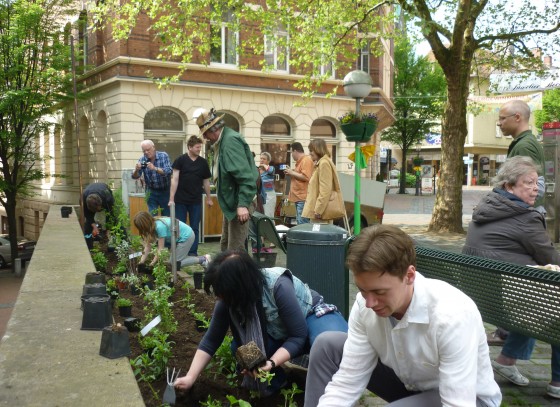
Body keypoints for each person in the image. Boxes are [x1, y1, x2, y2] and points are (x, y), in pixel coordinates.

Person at [305, 224, 502, 407]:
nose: (369, 302)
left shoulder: (452, 315)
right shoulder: (364, 306)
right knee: (328, 345)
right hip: (409, 386)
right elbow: (348, 381)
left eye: (380, 292)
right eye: (363, 290)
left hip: (466, 398)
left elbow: (458, 402)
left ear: (409, 276)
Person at [174, 250, 348, 396]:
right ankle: (279, 381)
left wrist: (271, 362)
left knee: (331, 343)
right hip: (279, 331)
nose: (220, 298)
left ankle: (334, 393)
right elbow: (211, 340)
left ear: (239, 287)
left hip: (311, 315)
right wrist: (190, 377)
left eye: (223, 293)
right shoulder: (228, 300)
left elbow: (298, 335)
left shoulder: (278, 286)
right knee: (243, 349)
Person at [462, 156, 560, 399]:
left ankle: (506, 360)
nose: (535, 188)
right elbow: (551, 258)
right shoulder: (526, 217)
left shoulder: (485, 209)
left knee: (531, 295)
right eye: (528, 183)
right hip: (507, 298)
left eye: (537, 183)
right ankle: (558, 382)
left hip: (484, 296)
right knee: (550, 303)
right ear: (508, 186)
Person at [196, 108, 258, 251]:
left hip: (239, 201)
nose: (205, 138)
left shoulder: (230, 142)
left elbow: (245, 177)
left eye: (205, 134)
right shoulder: (222, 141)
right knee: (226, 246)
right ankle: (228, 272)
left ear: (213, 129)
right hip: (232, 202)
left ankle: (238, 273)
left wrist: (242, 204)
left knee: (234, 250)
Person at [169, 135, 213, 256]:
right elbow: (175, 179)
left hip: (196, 200)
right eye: (197, 147)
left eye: (200, 147)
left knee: (194, 227)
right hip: (180, 200)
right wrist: (171, 199)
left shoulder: (203, 163)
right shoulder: (180, 160)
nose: (199, 149)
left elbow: (206, 182)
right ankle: (180, 252)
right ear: (190, 147)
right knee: (180, 227)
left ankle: (193, 251)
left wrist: (209, 198)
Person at [498, 99, 545, 208]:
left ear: (517, 117)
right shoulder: (526, 142)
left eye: (503, 118)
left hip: (522, 217)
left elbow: (529, 191)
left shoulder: (524, 146)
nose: (499, 123)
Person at [133, 211, 211, 268]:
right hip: (178, 239)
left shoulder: (159, 227)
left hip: (186, 236)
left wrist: (152, 264)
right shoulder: (152, 225)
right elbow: (147, 247)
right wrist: (141, 262)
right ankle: (201, 259)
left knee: (174, 263)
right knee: (175, 260)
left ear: (145, 224)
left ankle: (203, 259)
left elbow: (161, 249)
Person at [302, 139, 343, 223]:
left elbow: (325, 190)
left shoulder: (324, 163)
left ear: (318, 149)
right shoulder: (322, 162)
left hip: (320, 215)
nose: (310, 153)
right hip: (320, 213)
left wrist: (318, 210)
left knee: (318, 235)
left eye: (311, 150)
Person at [132, 140, 173, 216]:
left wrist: (155, 168)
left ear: (153, 148)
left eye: (148, 150)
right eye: (144, 151)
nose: (146, 152)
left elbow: (169, 171)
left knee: (167, 216)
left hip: (165, 191)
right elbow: (135, 176)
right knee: (152, 216)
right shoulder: (142, 159)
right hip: (151, 191)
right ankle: (154, 228)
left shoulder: (163, 156)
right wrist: (136, 170)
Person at [284, 142, 314, 224]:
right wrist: (292, 172)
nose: (291, 155)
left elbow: (306, 177)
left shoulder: (306, 160)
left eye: (291, 153)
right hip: (299, 198)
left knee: (302, 223)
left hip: (302, 198)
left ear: (295, 151)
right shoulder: (301, 162)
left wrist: (292, 173)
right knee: (300, 222)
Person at [82, 182, 116, 249]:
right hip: (89, 191)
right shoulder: (83, 198)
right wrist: (94, 226)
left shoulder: (107, 197)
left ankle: (113, 244)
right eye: (95, 211)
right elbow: (87, 214)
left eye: (99, 209)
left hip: (103, 189)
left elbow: (110, 214)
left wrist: (108, 229)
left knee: (114, 222)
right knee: (88, 226)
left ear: (101, 203)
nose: (98, 212)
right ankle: (89, 247)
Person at [259, 152, 276, 218]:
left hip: (269, 195)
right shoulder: (257, 170)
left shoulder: (271, 168)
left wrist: (263, 166)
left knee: (268, 215)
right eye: (261, 158)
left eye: (264, 159)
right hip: (260, 195)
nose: (262, 160)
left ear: (268, 161)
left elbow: (270, 171)